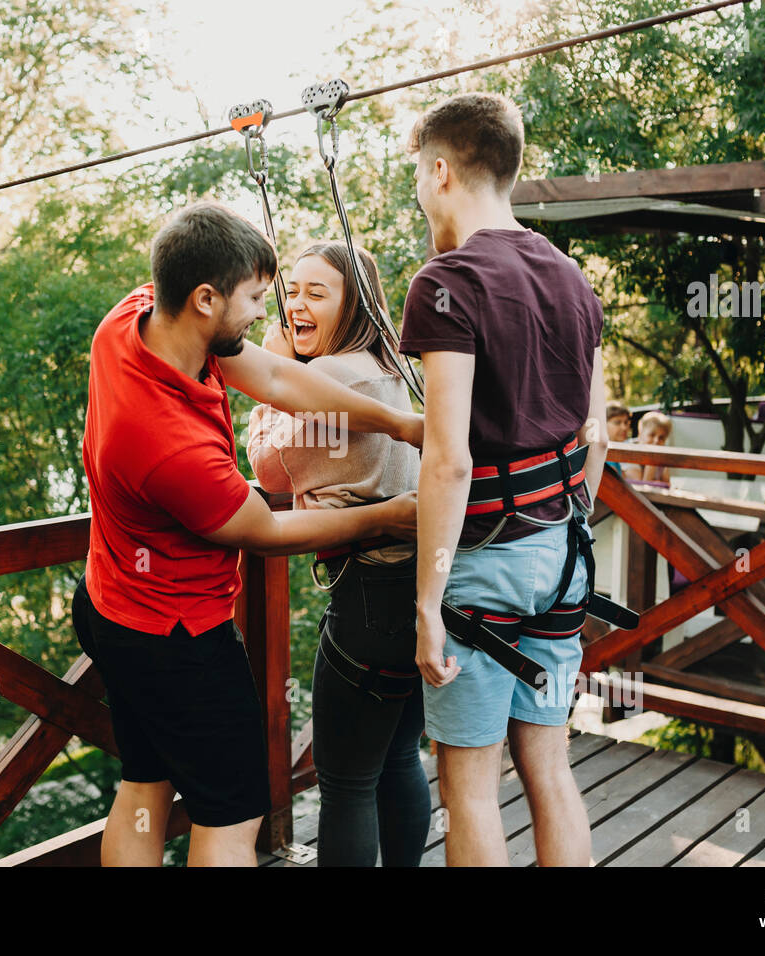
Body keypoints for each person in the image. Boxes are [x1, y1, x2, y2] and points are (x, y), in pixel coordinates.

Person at [73, 201, 423, 867]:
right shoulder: (167, 444)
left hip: (109, 603)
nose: (268, 312)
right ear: (206, 298)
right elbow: (263, 529)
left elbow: (268, 374)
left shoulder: (139, 314)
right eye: (258, 297)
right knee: (233, 819)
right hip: (176, 638)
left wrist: (399, 423)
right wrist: (387, 516)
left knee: (144, 784)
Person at [401, 92, 607, 867]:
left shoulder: (448, 282)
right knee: (550, 771)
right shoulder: (571, 277)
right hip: (562, 558)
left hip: (481, 569)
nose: (421, 189)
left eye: (422, 175)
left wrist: (426, 603)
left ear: (442, 171)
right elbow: (598, 437)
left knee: (471, 790)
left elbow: (448, 458)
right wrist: (558, 519)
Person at [246, 240, 429, 867]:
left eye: (316, 293)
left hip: (367, 599)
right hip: (419, 591)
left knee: (347, 782)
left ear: (354, 304)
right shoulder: (395, 368)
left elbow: (268, 470)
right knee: (400, 757)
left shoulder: (327, 376)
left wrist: (271, 374)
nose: (296, 304)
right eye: (291, 291)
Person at [624, 410, 672, 482]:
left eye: (661, 437)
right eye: (652, 435)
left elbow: (666, 484)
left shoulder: (663, 453)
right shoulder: (628, 450)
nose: (656, 440)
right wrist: (652, 462)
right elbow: (641, 489)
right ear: (640, 433)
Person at [604, 401, 631, 480]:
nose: (624, 427)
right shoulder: (604, 456)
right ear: (604, 423)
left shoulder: (614, 455)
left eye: (626, 423)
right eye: (617, 422)